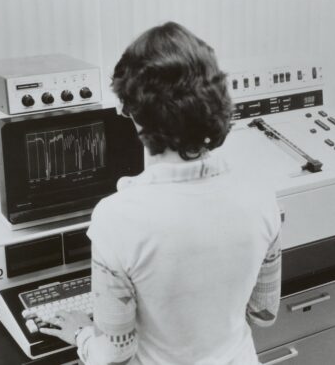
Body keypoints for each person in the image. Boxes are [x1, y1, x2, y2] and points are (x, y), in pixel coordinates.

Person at [40, 22, 282, 365]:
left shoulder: (116, 218)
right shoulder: (261, 194)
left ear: (135, 113)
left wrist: (82, 333)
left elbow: (114, 357)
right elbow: (263, 313)